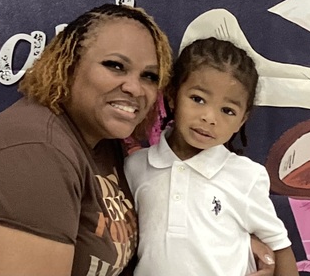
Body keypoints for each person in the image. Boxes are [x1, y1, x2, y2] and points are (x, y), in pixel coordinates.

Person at [0, 4, 278, 276]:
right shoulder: (35, 149)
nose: (134, 87)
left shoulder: (105, 146)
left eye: (149, 76)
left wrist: (229, 247)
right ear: (68, 64)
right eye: (115, 66)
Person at [125, 37, 299, 276]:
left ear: (242, 120)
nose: (209, 118)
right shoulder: (135, 167)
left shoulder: (246, 176)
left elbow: (278, 246)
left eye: (228, 110)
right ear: (173, 96)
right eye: (198, 99)